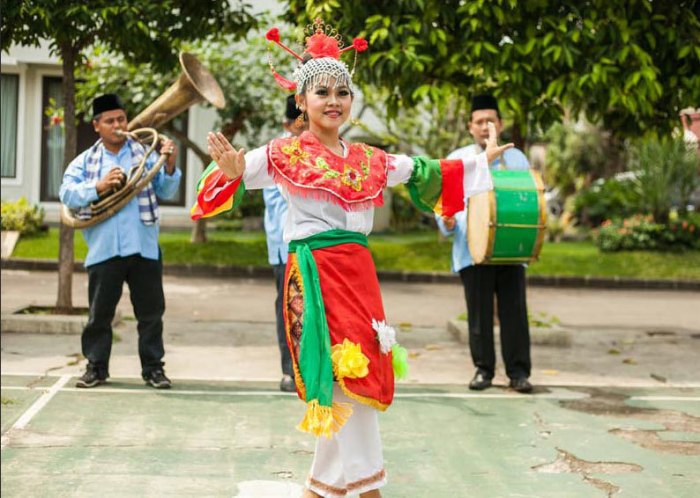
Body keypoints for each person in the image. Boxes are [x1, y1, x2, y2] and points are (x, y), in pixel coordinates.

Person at [191, 20, 512, 498]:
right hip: (317, 276)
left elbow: (422, 170)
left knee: (356, 379)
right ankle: (369, 491)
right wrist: (233, 174)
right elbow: (224, 184)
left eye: (343, 91)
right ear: (302, 100)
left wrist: (479, 162)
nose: (334, 100)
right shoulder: (282, 153)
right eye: (322, 91)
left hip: (360, 281)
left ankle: (321, 490)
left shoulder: (369, 159)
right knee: (346, 377)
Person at [59, 93, 181, 389]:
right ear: (97, 126)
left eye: (121, 119)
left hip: (144, 247)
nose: (118, 125)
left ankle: (153, 368)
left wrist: (169, 163)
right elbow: (67, 194)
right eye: (110, 121)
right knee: (99, 314)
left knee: (151, 314)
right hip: (105, 249)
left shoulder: (145, 152)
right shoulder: (86, 161)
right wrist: (98, 186)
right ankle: (95, 367)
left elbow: (166, 190)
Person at [436, 94, 533, 394]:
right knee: (477, 315)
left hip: (509, 251)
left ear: (500, 125)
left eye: (490, 120)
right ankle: (483, 370)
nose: (485, 126)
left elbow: (527, 201)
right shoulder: (458, 158)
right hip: (471, 248)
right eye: (479, 121)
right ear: (470, 127)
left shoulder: (517, 159)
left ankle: (518, 373)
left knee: (514, 313)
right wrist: (447, 221)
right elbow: (446, 202)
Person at [263, 94, 306, 392]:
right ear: (286, 124)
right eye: (300, 125)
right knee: (288, 308)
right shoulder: (276, 152)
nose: (306, 130)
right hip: (285, 245)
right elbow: (279, 200)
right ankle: (290, 371)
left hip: (316, 246)